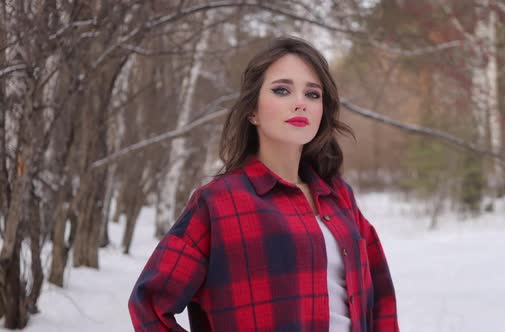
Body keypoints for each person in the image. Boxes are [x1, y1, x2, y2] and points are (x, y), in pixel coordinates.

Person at [128, 36, 399, 332]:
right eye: (282, 90)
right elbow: (149, 305)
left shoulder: (338, 197)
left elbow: (380, 299)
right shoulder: (219, 203)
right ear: (252, 111)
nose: (300, 103)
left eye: (312, 94)